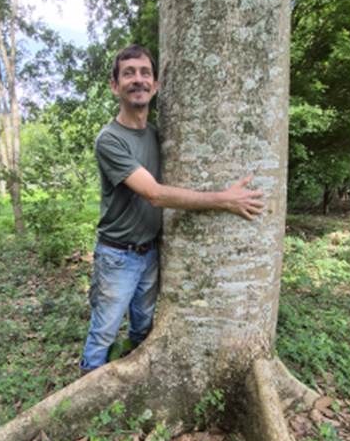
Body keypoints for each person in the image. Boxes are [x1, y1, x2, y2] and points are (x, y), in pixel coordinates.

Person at [80, 43, 264, 373]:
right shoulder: (109, 139)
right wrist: (224, 200)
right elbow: (154, 194)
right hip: (118, 256)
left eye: (145, 73)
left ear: (156, 85)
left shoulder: (158, 135)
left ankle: (135, 380)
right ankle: (88, 389)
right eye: (128, 74)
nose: (138, 79)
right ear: (114, 86)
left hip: (151, 252)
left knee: (143, 328)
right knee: (104, 332)